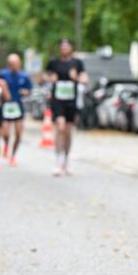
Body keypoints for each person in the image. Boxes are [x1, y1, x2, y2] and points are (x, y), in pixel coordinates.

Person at [45, 39, 88, 176]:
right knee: (60, 128)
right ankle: (58, 162)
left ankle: (66, 161)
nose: (64, 48)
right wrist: (50, 78)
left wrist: (75, 78)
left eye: (66, 46)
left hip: (71, 101)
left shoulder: (77, 63)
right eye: (62, 46)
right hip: (57, 100)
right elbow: (45, 76)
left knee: (68, 132)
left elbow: (85, 80)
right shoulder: (54, 62)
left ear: (71, 48)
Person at [0, 53, 33, 166]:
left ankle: (13, 155)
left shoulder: (24, 76)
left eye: (15, 63)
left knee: (18, 134)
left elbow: (29, 90)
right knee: (6, 133)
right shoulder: (3, 74)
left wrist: (25, 92)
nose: (13, 65)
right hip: (6, 106)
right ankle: (6, 145)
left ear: (19, 63)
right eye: (11, 63)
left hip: (18, 107)